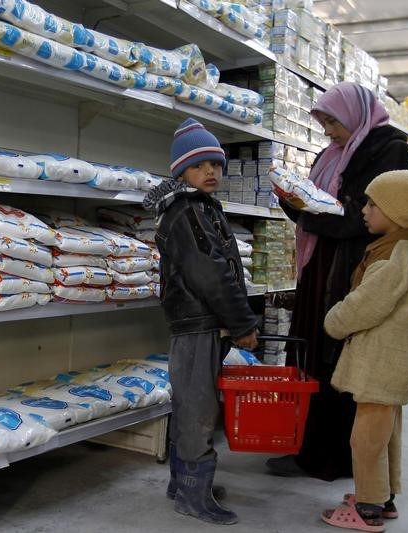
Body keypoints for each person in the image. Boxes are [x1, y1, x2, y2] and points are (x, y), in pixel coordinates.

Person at [267, 82, 408, 481]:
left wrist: (310, 212)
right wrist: (291, 199)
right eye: (323, 122)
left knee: (342, 363)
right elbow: (319, 209)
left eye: (332, 121)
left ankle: (337, 458)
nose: (328, 131)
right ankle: (306, 447)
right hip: (321, 269)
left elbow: (364, 218)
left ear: (354, 113)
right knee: (312, 359)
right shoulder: (331, 155)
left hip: (354, 272)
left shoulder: (390, 148)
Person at [320, 169, 408, 532]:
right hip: (390, 364)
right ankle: (385, 497)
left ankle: (367, 508)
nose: (364, 210)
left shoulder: (392, 260)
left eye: (372, 203)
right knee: (387, 434)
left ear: (397, 212)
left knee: (365, 439)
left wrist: (333, 320)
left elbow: (364, 305)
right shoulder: (401, 248)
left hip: (380, 365)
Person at [143, 118, 258, 525]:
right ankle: (193, 495)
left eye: (216, 164)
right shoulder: (187, 212)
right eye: (199, 165)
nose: (211, 172)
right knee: (197, 409)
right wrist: (243, 324)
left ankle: (185, 483)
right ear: (181, 172)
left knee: (193, 403)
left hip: (204, 323)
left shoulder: (201, 208)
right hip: (196, 325)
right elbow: (212, 275)